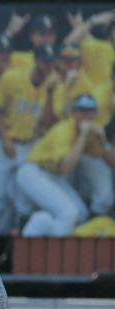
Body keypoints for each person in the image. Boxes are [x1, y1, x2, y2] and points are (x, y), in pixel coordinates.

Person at [18, 93, 115, 236]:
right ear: (73, 112)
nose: (87, 115)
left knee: (82, 214)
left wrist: (103, 140)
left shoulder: (90, 131)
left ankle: (48, 233)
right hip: (32, 173)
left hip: (50, 175)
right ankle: (41, 228)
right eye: (82, 111)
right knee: (69, 213)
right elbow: (65, 167)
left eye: (91, 111)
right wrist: (82, 135)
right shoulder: (64, 130)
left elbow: (111, 162)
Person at [0, 42, 55, 235]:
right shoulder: (13, 77)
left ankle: (20, 253)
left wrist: (50, 94)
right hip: (3, 141)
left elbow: (48, 122)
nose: (47, 65)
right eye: (44, 60)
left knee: (24, 201)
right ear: (36, 60)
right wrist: (6, 139)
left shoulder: (52, 84)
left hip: (29, 145)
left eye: (51, 62)